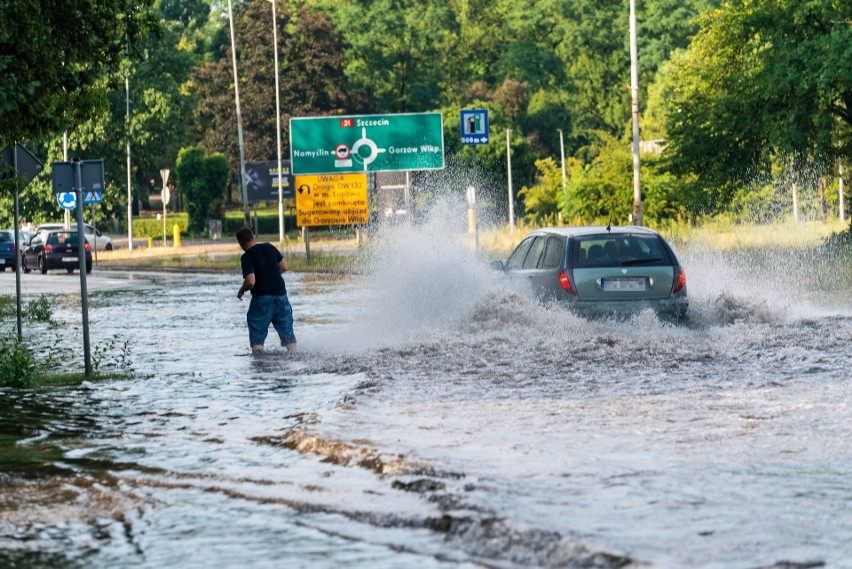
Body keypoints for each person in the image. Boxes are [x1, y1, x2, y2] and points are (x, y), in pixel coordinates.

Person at [236, 227, 296, 355]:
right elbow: (284, 267)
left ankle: (259, 365)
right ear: (253, 237)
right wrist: (270, 274)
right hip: (281, 296)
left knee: (257, 332)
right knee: (288, 332)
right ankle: (295, 356)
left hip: (262, 299)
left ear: (240, 243)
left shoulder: (247, 257)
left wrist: (241, 291)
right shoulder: (269, 247)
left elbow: (251, 281)